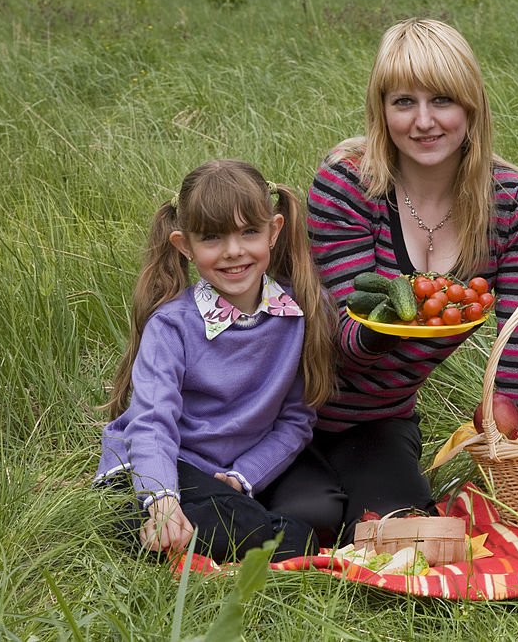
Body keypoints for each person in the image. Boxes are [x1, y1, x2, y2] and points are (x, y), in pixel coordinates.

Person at [259, 18, 518, 546]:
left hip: (378, 417)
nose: (423, 122)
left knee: (402, 532)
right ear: (380, 110)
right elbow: (344, 343)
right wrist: (396, 317)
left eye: (442, 100)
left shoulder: (514, 204)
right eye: (402, 102)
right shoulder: (347, 183)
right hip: (281, 407)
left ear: (472, 106)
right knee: (313, 522)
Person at [94, 159, 336, 563]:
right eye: (212, 238)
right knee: (254, 529)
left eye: (249, 232)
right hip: (168, 464)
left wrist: (245, 475)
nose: (233, 252)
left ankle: (224, 529)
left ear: (274, 231)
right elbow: (153, 422)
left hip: (235, 471)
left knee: (322, 511)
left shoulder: (300, 312)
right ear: (184, 245)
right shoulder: (172, 325)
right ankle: (165, 521)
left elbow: (296, 420)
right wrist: (163, 499)